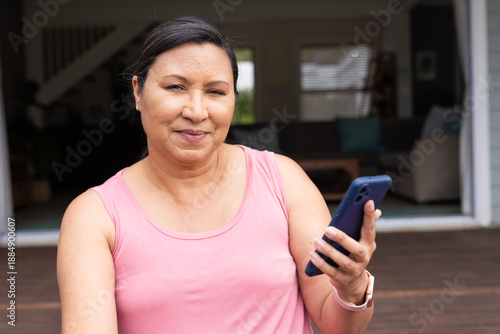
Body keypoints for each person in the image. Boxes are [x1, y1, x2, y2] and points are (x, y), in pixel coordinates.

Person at [57, 16, 381, 334]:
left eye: (215, 92)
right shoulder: (93, 217)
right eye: (175, 87)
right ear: (138, 92)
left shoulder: (283, 181)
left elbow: (336, 325)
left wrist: (352, 288)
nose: (197, 112)